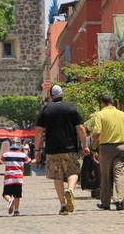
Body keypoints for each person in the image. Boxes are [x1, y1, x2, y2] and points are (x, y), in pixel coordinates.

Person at [34, 85, 89, 215]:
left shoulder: (46, 109)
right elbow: (81, 128)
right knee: (74, 171)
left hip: (52, 150)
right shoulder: (71, 108)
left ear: (51, 95)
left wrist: (37, 150)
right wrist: (85, 145)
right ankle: (70, 189)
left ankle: (63, 205)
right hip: (70, 149)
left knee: (57, 176)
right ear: (62, 95)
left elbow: (38, 132)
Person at [92, 95, 124, 211]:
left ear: (102, 103)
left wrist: (94, 149)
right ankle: (119, 201)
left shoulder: (100, 114)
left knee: (105, 176)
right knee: (119, 174)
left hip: (105, 148)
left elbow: (97, 133)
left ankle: (105, 203)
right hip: (121, 146)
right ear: (112, 102)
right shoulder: (122, 114)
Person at [0, 143, 33, 216]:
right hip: (18, 178)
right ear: (18, 149)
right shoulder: (23, 155)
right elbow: (30, 162)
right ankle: (16, 211)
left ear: (10, 148)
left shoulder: (6, 154)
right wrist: (37, 159)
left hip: (9, 178)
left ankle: (10, 200)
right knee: (17, 195)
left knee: (5, 194)